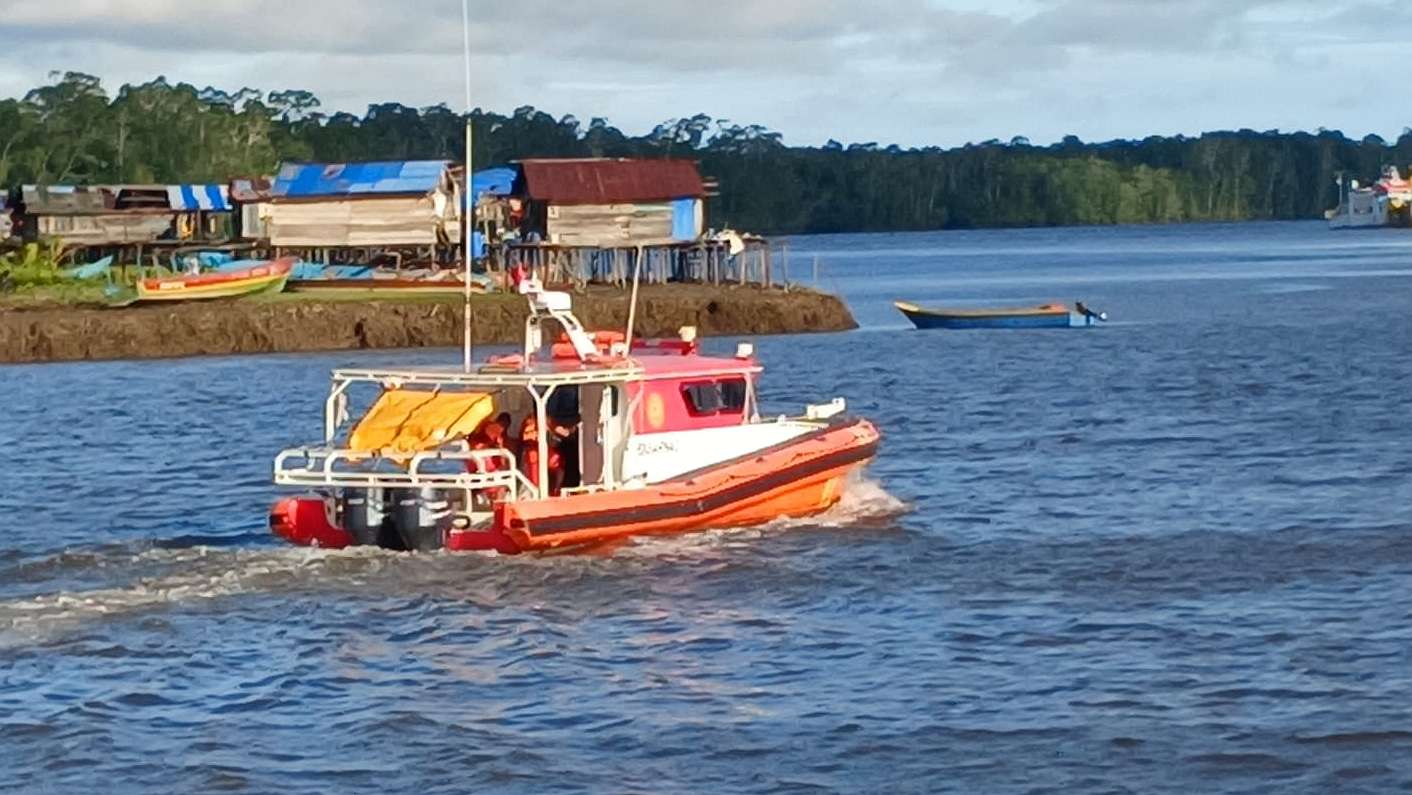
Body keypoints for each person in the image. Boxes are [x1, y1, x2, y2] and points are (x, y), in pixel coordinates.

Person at [519, 415, 563, 496]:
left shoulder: (545, 450)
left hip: (541, 493)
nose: (529, 436)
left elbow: (556, 467)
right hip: (525, 492)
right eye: (526, 433)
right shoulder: (521, 450)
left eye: (532, 432)